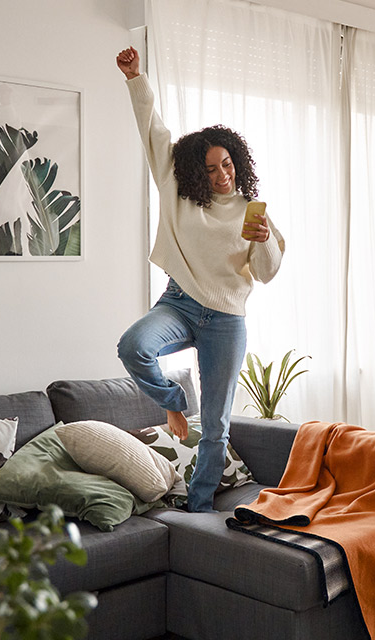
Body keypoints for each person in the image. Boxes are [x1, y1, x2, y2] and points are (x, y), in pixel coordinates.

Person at [114, 46, 285, 513]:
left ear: (237, 161)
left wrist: (265, 237)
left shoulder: (252, 211)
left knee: (216, 426)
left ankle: (199, 509)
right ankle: (173, 399)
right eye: (211, 169)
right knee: (133, 346)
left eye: (227, 164)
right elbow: (154, 129)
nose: (222, 175)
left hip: (227, 319)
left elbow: (267, 273)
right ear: (196, 171)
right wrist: (135, 78)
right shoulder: (176, 187)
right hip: (180, 302)